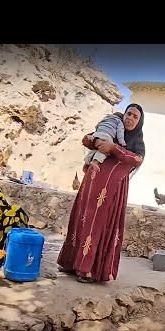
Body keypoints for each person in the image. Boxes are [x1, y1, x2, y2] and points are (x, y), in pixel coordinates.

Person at [57, 104, 145, 283]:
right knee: (81, 221)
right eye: (128, 114)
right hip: (90, 188)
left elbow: (136, 159)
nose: (130, 118)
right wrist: (98, 142)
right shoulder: (111, 128)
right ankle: (70, 263)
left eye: (135, 117)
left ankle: (88, 270)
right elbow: (86, 139)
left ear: (139, 122)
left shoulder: (137, 143)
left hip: (111, 193)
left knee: (99, 226)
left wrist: (113, 148)